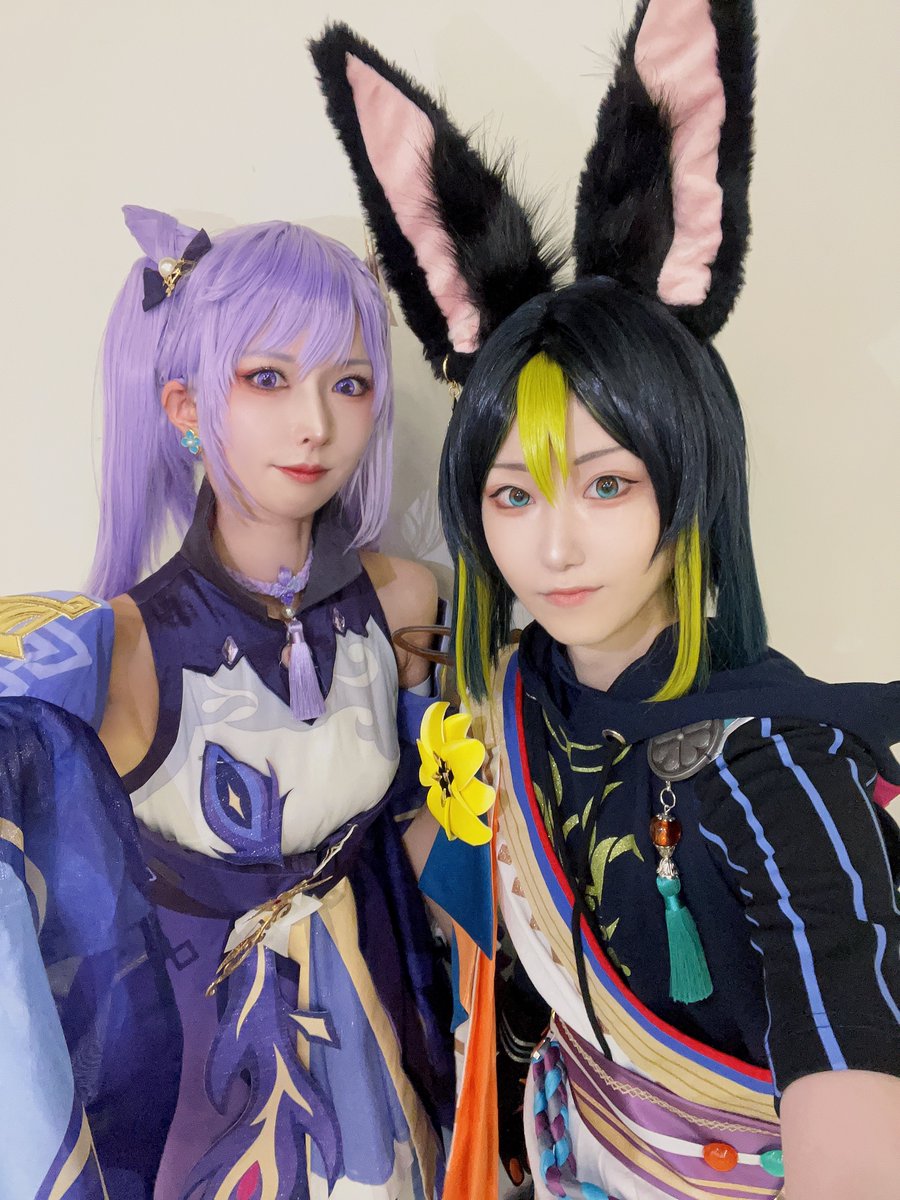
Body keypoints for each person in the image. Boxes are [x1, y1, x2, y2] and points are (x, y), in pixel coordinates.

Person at [310, 7, 900, 1199]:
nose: (554, 545)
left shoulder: (783, 772)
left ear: (692, 480)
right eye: (511, 494)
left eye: (608, 483)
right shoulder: (521, 694)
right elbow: (463, 890)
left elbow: (858, 1143)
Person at [0, 210, 453, 1199]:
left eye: (349, 383)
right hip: (204, 1093)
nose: (315, 423)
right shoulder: (110, 647)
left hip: (389, 1054)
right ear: (185, 405)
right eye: (268, 378)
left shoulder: (407, 600)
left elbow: (424, 837)